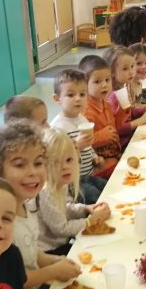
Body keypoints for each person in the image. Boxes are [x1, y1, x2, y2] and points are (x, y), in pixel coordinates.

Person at [0, 121, 81, 289]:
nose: (33, 172)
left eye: (38, 163)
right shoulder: (0, 225)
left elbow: (29, 249)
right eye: (19, 164)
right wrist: (52, 271)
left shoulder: (25, 205)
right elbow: (14, 278)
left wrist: (51, 260)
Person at [37, 130, 111, 255]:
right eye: (56, 162)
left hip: (62, 242)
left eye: (69, 160)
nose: (64, 167)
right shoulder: (45, 192)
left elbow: (64, 208)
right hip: (50, 251)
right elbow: (61, 228)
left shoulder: (62, 182)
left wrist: (85, 208)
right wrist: (90, 221)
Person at [49, 68, 106, 204]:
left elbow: (89, 146)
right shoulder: (58, 127)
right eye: (70, 95)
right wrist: (76, 146)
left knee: (108, 188)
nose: (78, 99)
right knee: (96, 198)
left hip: (88, 174)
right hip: (71, 182)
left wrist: (95, 157)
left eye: (82, 94)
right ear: (57, 99)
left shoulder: (82, 119)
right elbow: (56, 158)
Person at [104, 46, 146, 149]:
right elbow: (117, 128)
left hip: (130, 137)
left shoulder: (123, 88)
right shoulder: (113, 97)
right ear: (112, 72)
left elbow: (129, 112)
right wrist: (141, 120)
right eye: (125, 68)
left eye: (132, 66)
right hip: (123, 144)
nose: (131, 71)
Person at [80, 55, 122, 179]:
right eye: (97, 81)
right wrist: (101, 136)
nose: (104, 85)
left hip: (113, 155)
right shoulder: (86, 111)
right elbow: (82, 143)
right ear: (84, 85)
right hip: (98, 165)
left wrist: (122, 112)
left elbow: (114, 131)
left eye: (107, 80)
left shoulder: (107, 104)